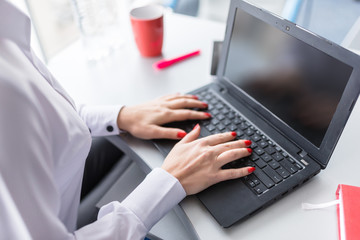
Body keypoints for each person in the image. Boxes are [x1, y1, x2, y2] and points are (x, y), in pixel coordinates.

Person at [0, 1, 255, 239]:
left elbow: (47, 114)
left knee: (130, 149)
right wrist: (168, 182)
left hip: (56, 189)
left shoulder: (9, 26)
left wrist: (122, 116)